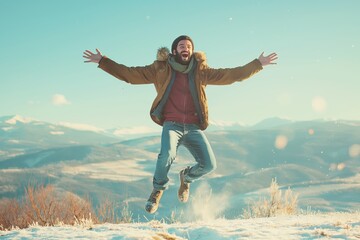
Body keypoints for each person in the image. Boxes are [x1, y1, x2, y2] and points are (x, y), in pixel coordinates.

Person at [83, 35, 277, 214]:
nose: (186, 48)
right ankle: (157, 191)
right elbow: (130, 75)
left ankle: (187, 177)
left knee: (209, 164)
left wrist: (257, 64)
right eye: (182, 46)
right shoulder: (160, 68)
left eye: (189, 46)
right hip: (172, 125)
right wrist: (103, 61)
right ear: (174, 51)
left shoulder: (201, 71)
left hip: (193, 127)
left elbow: (231, 75)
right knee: (166, 154)